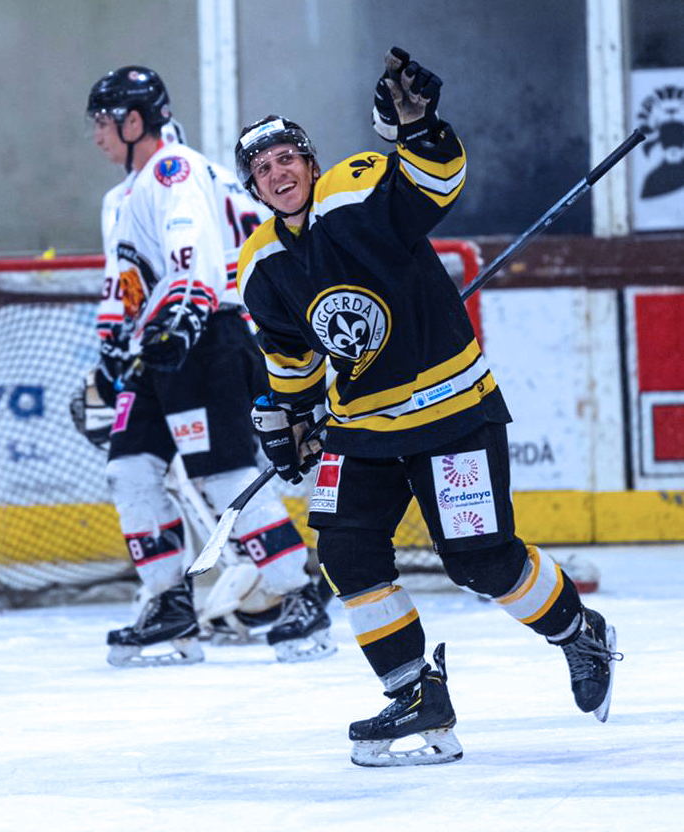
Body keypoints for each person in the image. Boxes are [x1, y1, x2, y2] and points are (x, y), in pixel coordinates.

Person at [234, 47, 621, 766]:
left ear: (309, 162)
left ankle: (577, 632)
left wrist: (419, 127)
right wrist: (286, 420)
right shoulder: (260, 263)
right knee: (344, 551)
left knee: (479, 561)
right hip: (359, 429)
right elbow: (292, 357)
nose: (278, 174)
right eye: (262, 170)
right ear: (253, 188)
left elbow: (434, 182)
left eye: (287, 158)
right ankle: (413, 692)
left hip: (451, 415)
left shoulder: (356, 191)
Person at [82, 66, 334, 667]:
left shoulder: (174, 168)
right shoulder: (131, 190)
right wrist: (112, 349)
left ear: (133, 119)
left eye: (102, 121)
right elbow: (131, 278)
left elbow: (193, 255)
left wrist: (186, 315)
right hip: (162, 346)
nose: (96, 135)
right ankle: (168, 601)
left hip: (203, 336)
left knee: (221, 473)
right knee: (129, 469)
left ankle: (298, 592)